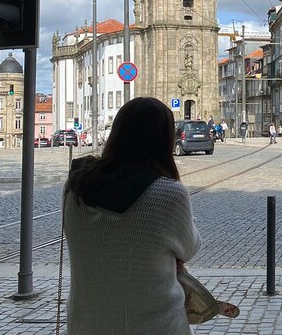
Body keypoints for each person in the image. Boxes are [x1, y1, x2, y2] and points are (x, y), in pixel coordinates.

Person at [63, 97, 201, 335]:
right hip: (157, 326)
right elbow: (189, 248)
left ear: (117, 133)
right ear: (165, 140)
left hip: (87, 324)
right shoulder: (168, 193)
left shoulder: (75, 187)